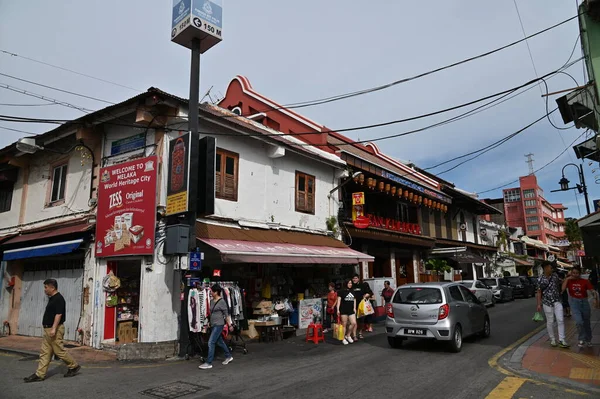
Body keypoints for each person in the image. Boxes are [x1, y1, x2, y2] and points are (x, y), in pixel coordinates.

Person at [24, 279, 80, 383]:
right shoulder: (52, 298)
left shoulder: (59, 299)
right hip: (48, 329)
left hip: (54, 329)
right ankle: (39, 374)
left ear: (52, 287)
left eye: (46, 287)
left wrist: (54, 328)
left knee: (59, 351)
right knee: (45, 352)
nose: (44, 290)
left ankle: (74, 366)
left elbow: (58, 314)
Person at [562, 267, 599, 348]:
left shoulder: (585, 281)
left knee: (586, 323)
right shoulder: (569, 281)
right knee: (579, 322)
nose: (575, 275)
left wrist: (595, 298)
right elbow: (563, 289)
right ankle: (581, 338)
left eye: (577, 273)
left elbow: (592, 290)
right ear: (571, 273)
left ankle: (588, 339)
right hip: (574, 303)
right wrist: (567, 279)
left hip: (584, 303)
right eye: (573, 273)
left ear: (580, 273)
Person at [199, 284, 233, 370]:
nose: (210, 293)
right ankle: (228, 356)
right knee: (219, 342)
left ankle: (209, 362)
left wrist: (230, 325)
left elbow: (226, 315)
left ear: (216, 292)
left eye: (211, 291)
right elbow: (211, 313)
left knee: (211, 342)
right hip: (213, 324)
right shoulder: (211, 301)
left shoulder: (222, 301)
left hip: (219, 324)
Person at [537, 261, 569, 348]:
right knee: (550, 321)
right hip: (547, 302)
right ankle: (552, 339)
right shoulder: (540, 279)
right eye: (549, 267)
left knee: (560, 320)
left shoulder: (555, 276)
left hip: (557, 301)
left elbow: (561, 283)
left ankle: (562, 340)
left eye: (551, 267)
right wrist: (539, 304)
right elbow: (539, 292)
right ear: (545, 268)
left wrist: (567, 279)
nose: (551, 269)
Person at [336, 279, 357, 345]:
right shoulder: (341, 291)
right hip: (343, 310)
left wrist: (354, 308)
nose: (350, 284)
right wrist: (338, 309)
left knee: (353, 323)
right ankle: (343, 338)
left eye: (351, 283)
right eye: (349, 283)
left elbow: (354, 300)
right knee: (344, 325)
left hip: (351, 310)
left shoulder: (352, 291)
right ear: (345, 284)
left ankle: (348, 335)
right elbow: (338, 301)